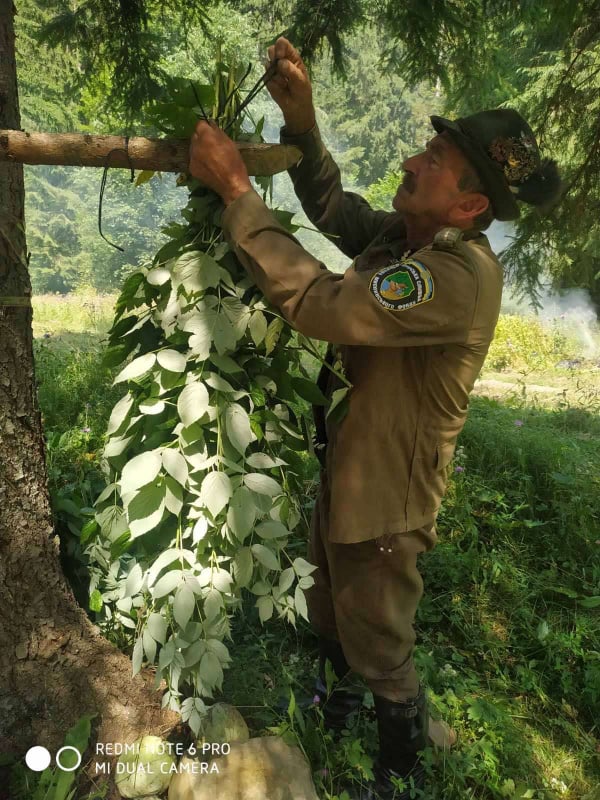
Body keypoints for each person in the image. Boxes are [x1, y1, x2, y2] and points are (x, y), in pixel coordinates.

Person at [188, 37, 561, 800]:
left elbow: (325, 304)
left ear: (470, 204)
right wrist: (303, 122)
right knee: (332, 595)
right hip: (356, 460)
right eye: (425, 146)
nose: (411, 162)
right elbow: (334, 209)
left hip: (387, 489)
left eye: (432, 158)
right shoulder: (413, 240)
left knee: (379, 629)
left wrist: (238, 196)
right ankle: (341, 702)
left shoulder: (454, 276)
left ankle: (400, 768)